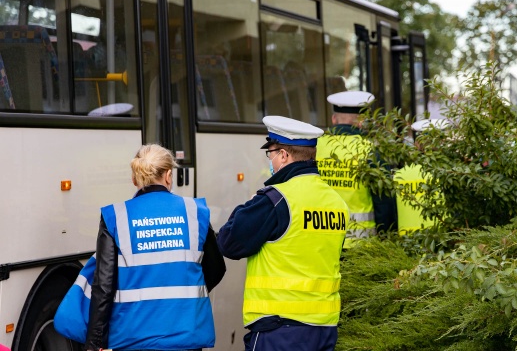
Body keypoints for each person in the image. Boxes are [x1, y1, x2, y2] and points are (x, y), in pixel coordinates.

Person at [217, 116, 349, 351]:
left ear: (284, 155)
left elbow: (228, 243)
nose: (271, 161)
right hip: (324, 330)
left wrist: (247, 205)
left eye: (271, 153)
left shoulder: (276, 200)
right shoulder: (336, 202)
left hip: (279, 330)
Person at [83, 144, 225, 351]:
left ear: (135, 179)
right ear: (168, 176)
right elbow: (216, 269)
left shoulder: (115, 217)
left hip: (131, 338)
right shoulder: (195, 212)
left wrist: (94, 343)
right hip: (185, 335)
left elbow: (103, 286)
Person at [316, 90, 397, 239]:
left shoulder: (315, 147)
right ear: (361, 121)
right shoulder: (370, 150)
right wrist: (387, 237)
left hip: (322, 239)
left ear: (334, 119)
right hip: (360, 244)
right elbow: (384, 202)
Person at [394, 119, 446, 235]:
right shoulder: (450, 174)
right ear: (442, 142)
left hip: (406, 245)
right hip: (442, 243)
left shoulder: (399, 176)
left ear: (416, 143)